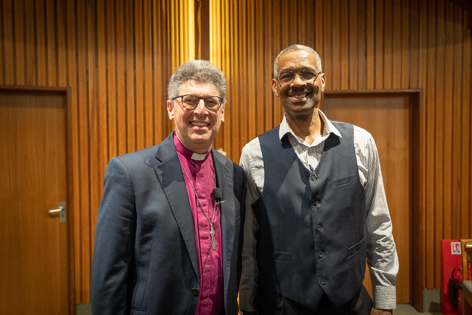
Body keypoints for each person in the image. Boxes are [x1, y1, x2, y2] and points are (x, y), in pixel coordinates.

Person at [238, 44, 399, 315]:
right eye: (287, 75)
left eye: (307, 73)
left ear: (322, 81)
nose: (297, 82)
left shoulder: (361, 142)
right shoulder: (254, 154)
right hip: (279, 304)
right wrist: (246, 301)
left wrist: (385, 298)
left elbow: (378, 225)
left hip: (349, 302)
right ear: (275, 86)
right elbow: (247, 242)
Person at [91, 60, 246, 315]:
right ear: (170, 108)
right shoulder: (130, 173)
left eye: (211, 102)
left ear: (222, 111)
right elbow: (109, 274)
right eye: (189, 100)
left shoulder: (235, 175)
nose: (201, 111)